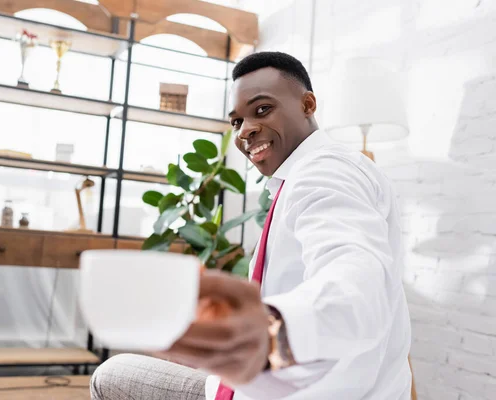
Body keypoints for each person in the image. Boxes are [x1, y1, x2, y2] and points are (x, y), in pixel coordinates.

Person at [90, 52, 412, 400]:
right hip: (279, 384)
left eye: (262, 110)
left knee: (110, 374)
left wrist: (266, 336)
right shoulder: (299, 178)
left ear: (308, 105)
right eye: (236, 122)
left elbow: (355, 292)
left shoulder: (325, 172)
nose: (246, 131)